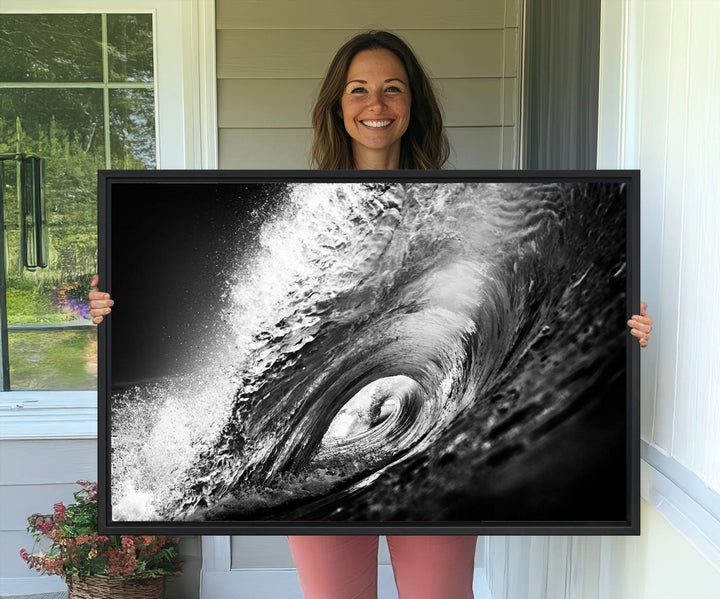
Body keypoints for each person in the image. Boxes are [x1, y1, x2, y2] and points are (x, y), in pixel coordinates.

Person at [89, 30, 653, 599]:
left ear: (413, 105)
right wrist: (105, 313)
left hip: (432, 427)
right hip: (325, 450)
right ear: (338, 106)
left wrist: (621, 320)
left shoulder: (462, 199)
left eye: (392, 90)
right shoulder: (315, 208)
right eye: (358, 90)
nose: (376, 105)